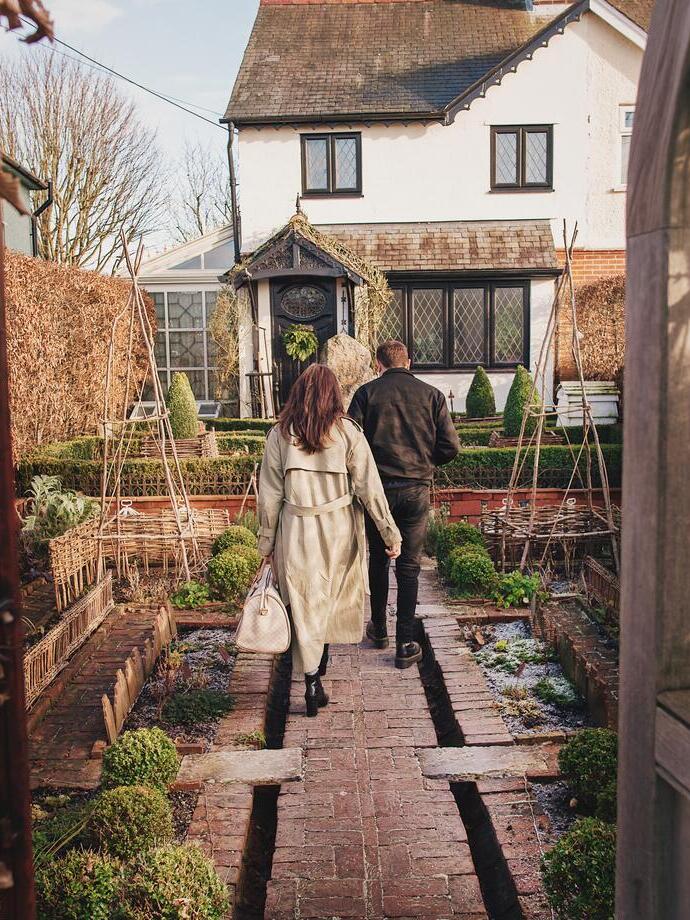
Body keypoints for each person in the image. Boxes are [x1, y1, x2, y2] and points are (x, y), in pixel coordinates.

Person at [258, 364, 402, 717]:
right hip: (339, 530)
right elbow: (370, 487)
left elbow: (269, 496)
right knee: (331, 595)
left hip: (296, 527)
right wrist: (389, 531)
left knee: (305, 600)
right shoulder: (348, 433)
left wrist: (265, 546)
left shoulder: (279, 435)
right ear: (334, 394)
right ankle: (316, 670)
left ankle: (310, 679)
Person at [348, 340, 460, 669]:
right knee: (409, 567)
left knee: (378, 561)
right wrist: (426, 462)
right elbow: (450, 447)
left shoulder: (366, 394)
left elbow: (350, 443)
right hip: (415, 489)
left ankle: (379, 627)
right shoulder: (432, 395)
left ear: (377, 363)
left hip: (377, 491)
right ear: (408, 361)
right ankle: (405, 643)